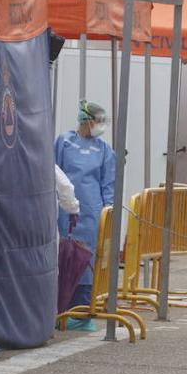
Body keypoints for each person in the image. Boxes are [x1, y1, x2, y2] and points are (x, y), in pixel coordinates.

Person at [54, 100, 116, 331]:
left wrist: (108, 212)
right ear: (86, 120)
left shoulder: (104, 150)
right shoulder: (63, 142)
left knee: (86, 260)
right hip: (64, 211)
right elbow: (53, 171)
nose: (100, 126)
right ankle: (60, 308)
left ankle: (81, 313)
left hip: (91, 213)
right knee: (62, 258)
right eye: (98, 121)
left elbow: (108, 184)